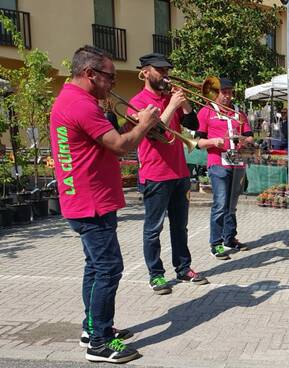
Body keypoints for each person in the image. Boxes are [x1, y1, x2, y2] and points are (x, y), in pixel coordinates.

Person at [50, 45, 160, 363]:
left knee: (95, 269)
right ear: (90, 74)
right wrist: (144, 124)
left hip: (83, 199)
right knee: (110, 270)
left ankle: (93, 326)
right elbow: (119, 146)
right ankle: (99, 341)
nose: (113, 83)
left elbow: (103, 141)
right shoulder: (82, 105)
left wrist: (133, 125)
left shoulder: (71, 100)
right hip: (91, 202)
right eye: (109, 77)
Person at [128, 53, 208, 296]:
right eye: (160, 70)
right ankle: (156, 275)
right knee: (154, 229)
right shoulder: (137, 101)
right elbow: (154, 132)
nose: (166, 75)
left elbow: (194, 126)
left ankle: (183, 268)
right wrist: (172, 105)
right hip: (155, 173)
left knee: (180, 226)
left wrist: (183, 104)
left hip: (179, 171)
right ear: (145, 72)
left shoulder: (169, 97)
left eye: (167, 70)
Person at [196, 77, 254, 260]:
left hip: (237, 162)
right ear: (216, 93)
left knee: (232, 204)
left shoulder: (239, 112)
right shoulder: (206, 111)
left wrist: (243, 140)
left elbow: (250, 136)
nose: (228, 96)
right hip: (218, 163)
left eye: (230, 92)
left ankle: (230, 238)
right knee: (220, 204)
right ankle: (216, 243)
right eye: (224, 93)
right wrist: (213, 141)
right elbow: (197, 142)